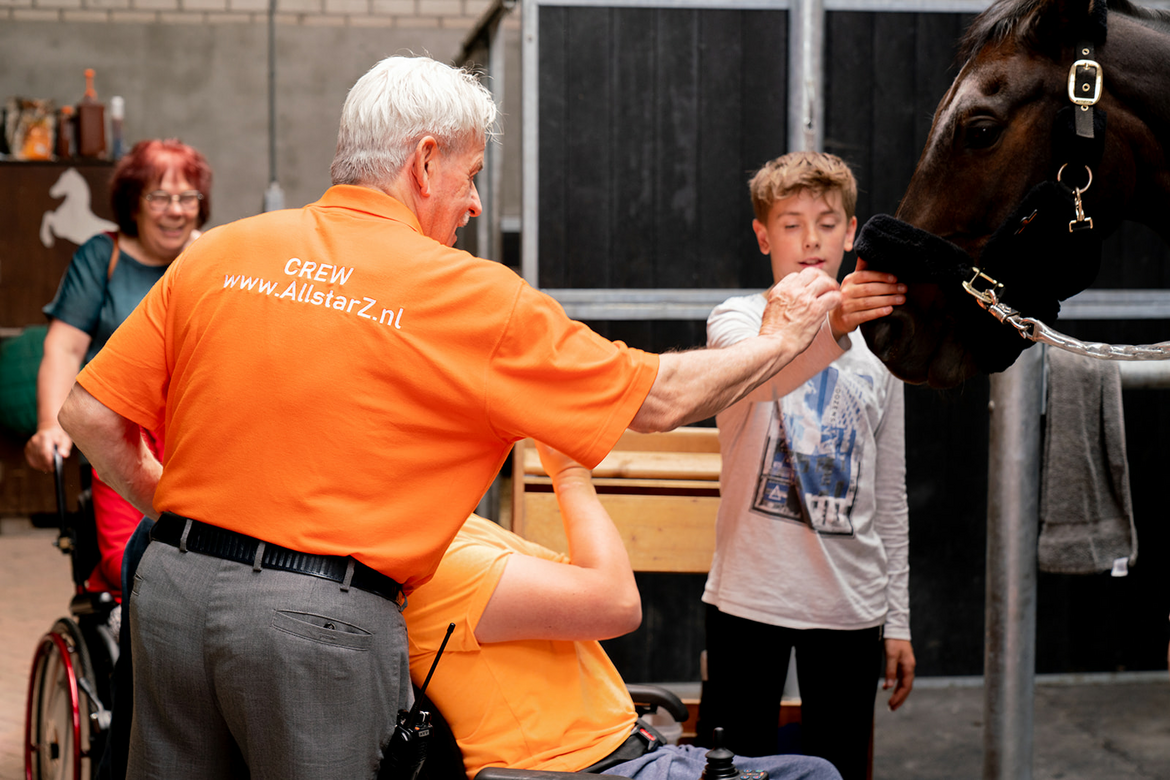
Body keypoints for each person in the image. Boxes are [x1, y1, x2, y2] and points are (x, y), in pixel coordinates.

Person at [57, 55, 842, 780]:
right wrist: (779, 338)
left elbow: (88, 414)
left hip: (172, 593)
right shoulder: (471, 296)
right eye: (469, 174)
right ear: (424, 160)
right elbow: (663, 398)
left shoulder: (220, 251)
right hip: (313, 627)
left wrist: (184, 512)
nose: (471, 200)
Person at [402, 441, 842, 780]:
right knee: (818, 774)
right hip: (588, 771)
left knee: (816, 770)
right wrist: (571, 475)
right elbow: (617, 604)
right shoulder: (436, 561)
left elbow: (585, 576)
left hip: (633, 753)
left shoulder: (463, 530)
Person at [695, 151, 914, 780]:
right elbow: (755, 376)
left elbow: (890, 494)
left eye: (826, 222)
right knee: (732, 768)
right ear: (764, 236)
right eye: (790, 224)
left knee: (837, 768)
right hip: (750, 594)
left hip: (852, 604)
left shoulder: (884, 345)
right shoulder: (737, 318)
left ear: (850, 234)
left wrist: (897, 621)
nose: (810, 239)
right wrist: (833, 321)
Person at [24, 138, 211, 598]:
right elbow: (66, 349)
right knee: (137, 557)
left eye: (187, 197)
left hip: (192, 437)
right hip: (120, 435)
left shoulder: (212, 256)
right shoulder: (101, 257)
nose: (175, 210)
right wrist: (51, 425)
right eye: (160, 197)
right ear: (134, 203)